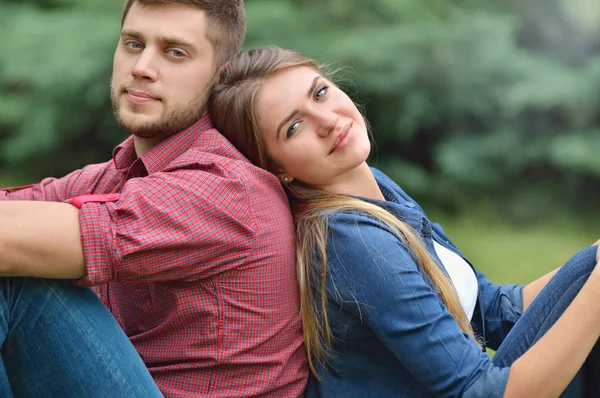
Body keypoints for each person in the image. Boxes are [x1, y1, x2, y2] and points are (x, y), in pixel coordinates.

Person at [209, 45, 600, 397]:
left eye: (320, 93)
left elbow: (490, 310)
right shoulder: (351, 240)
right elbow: (481, 392)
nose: (325, 119)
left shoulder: (376, 189)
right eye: (293, 127)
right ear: (278, 169)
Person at [0, 3, 307, 397]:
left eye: (175, 52)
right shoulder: (122, 173)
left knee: (19, 276)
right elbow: (18, 203)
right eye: (133, 43)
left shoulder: (226, 188)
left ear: (220, 75)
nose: (142, 67)